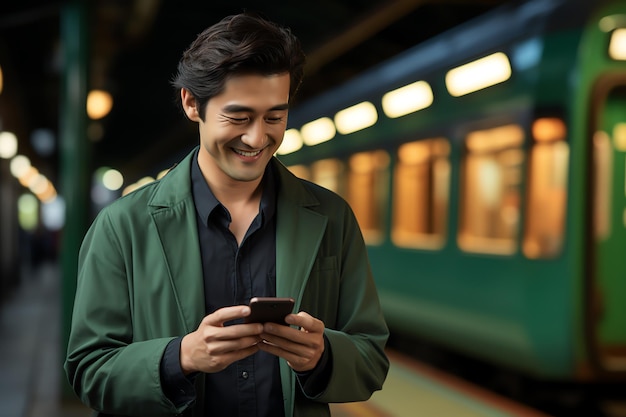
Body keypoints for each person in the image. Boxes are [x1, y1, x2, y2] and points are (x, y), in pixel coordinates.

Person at [64, 12, 389, 417]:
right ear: (191, 104)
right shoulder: (121, 226)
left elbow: (371, 359)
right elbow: (88, 371)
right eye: (238, 117)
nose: (257, 137)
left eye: (275, 116)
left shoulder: (332, 218)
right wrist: (179, 357)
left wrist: (322, 356)